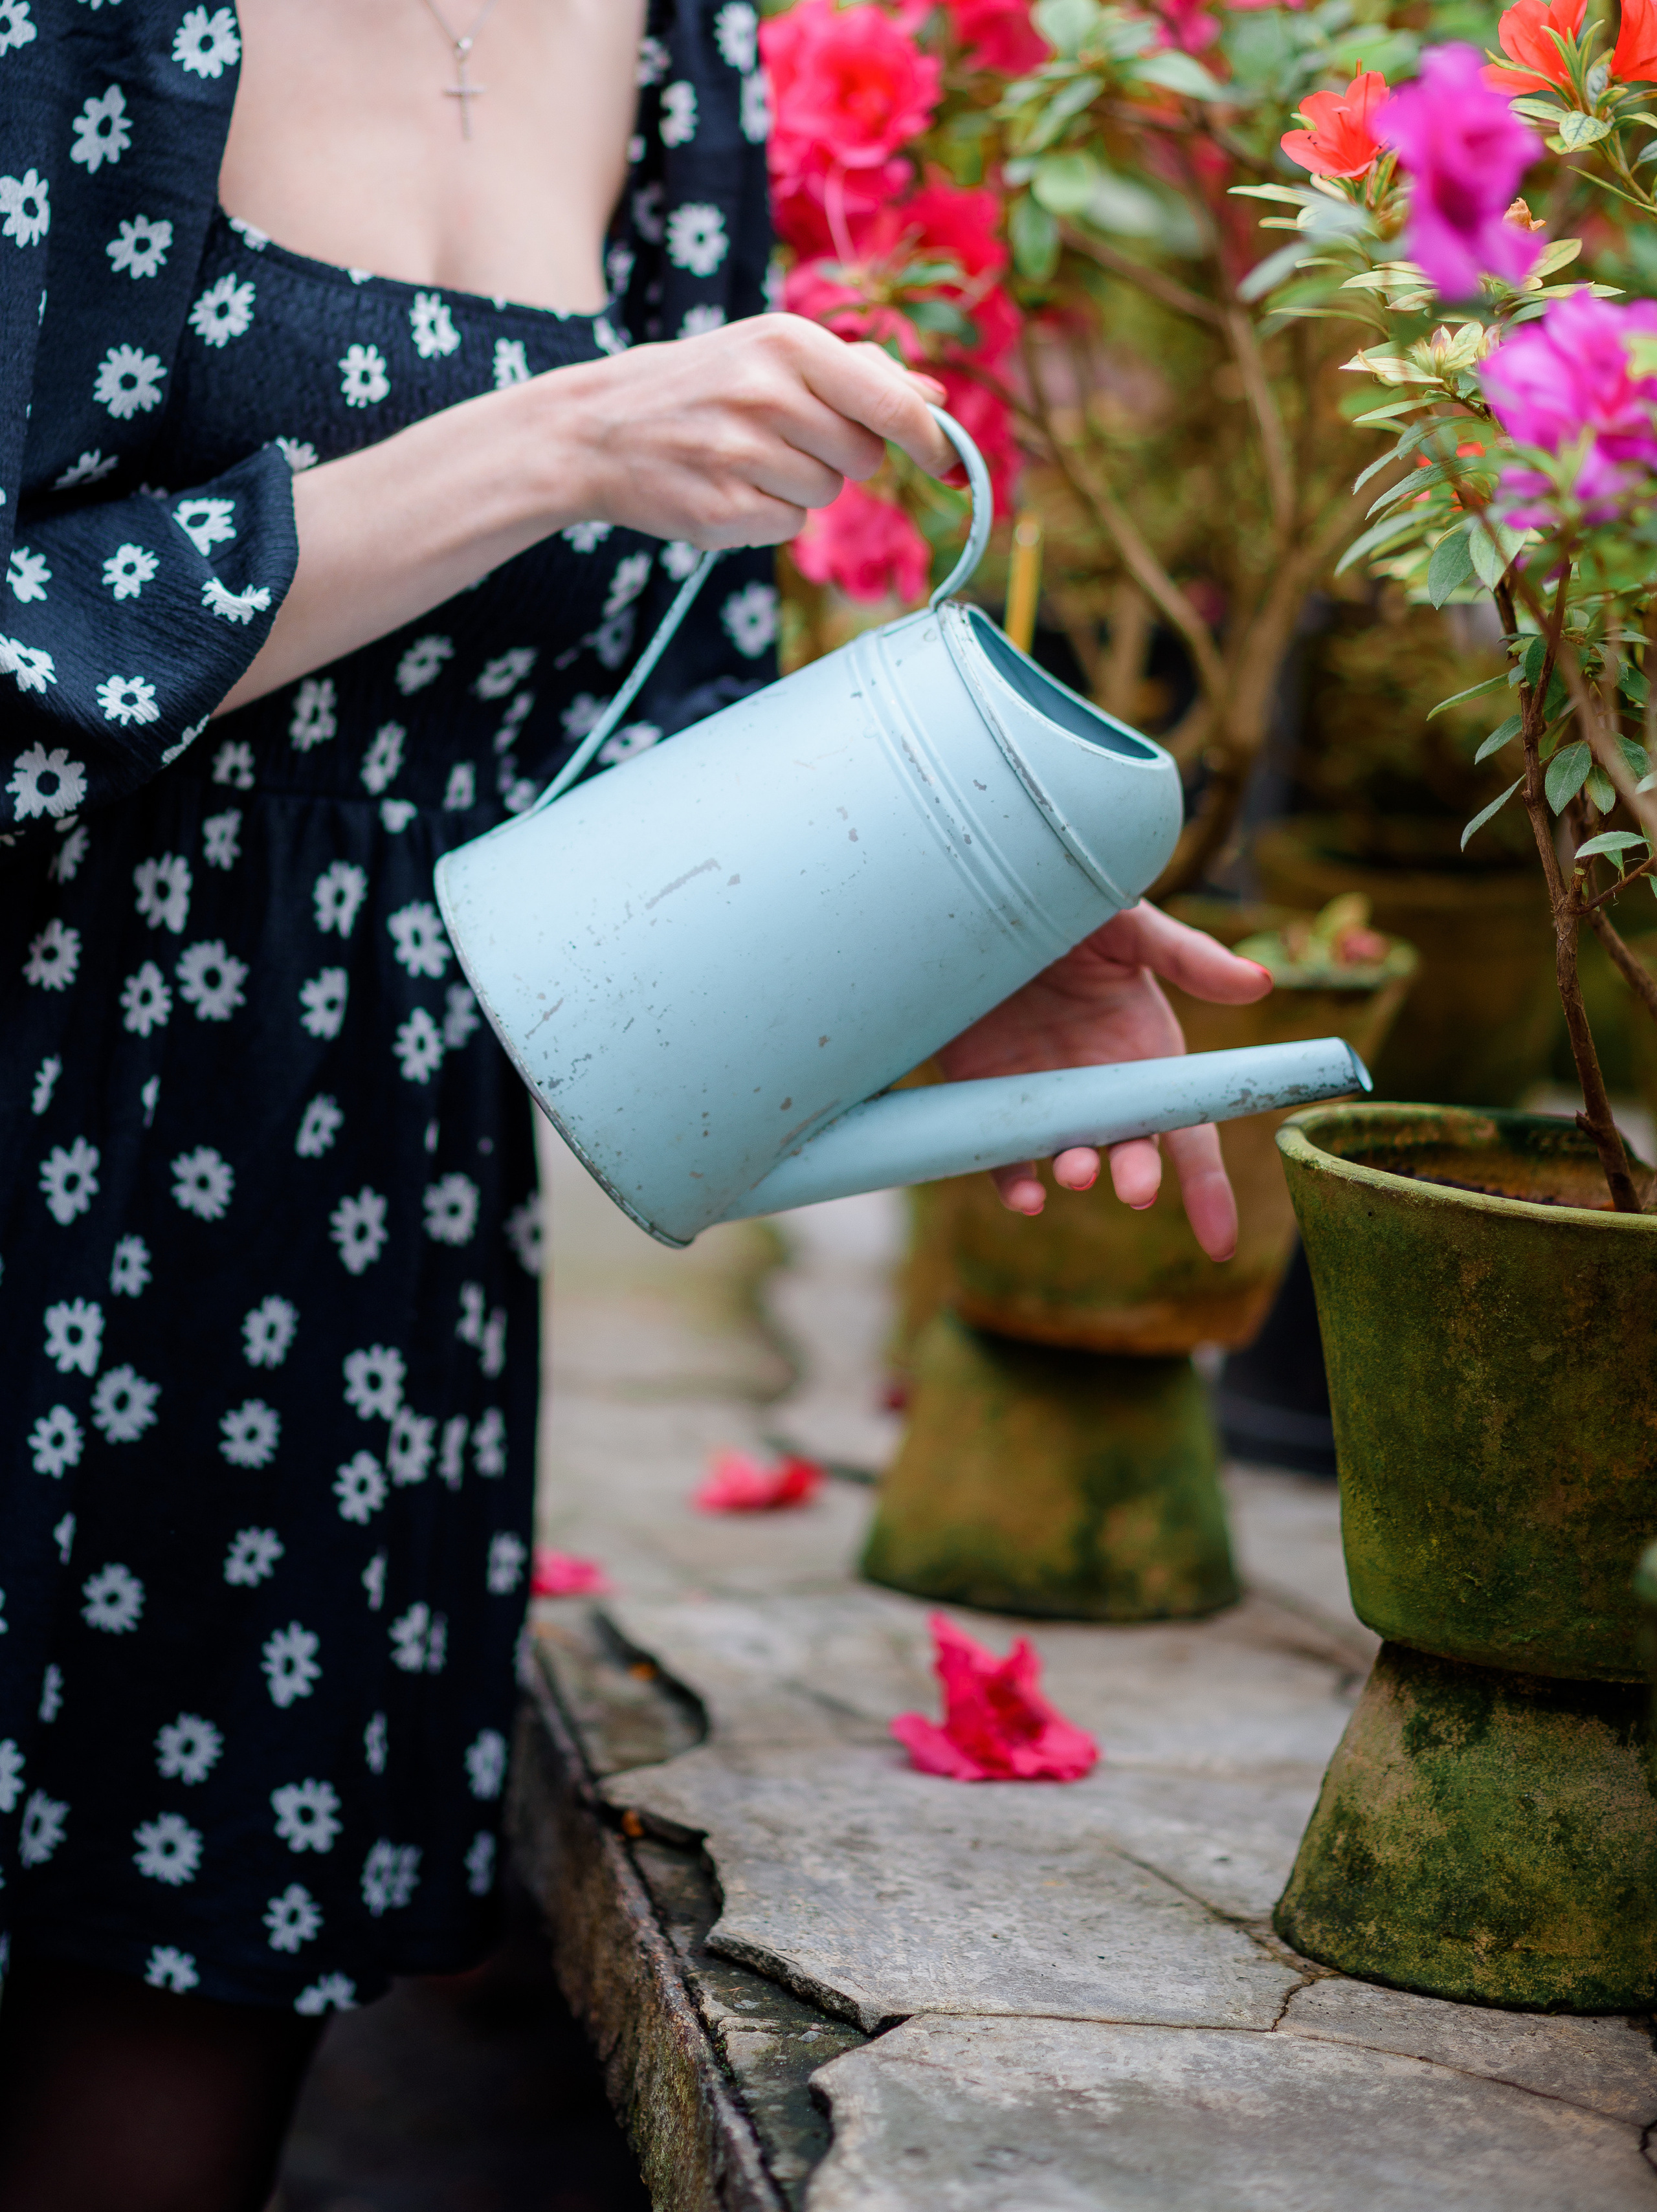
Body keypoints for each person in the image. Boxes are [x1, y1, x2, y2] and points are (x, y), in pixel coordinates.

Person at [0, 3, 1269, 2204]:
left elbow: (615, 729)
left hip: (334, 1263)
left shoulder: (676, 33)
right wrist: (552, 437)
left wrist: (934, 943)